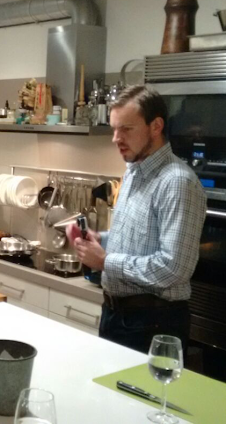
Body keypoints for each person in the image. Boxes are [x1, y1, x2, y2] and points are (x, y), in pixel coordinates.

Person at [66, 85, 206, 354]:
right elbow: (136, 237)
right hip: (117, 315)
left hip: (153, 324)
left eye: (126, 129)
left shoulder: (177, 182)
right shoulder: (133, 170)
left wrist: (105, 261)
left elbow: (173, 268)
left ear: (156, 126)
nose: (115, 138)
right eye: (114, 128)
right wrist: (101, 240)